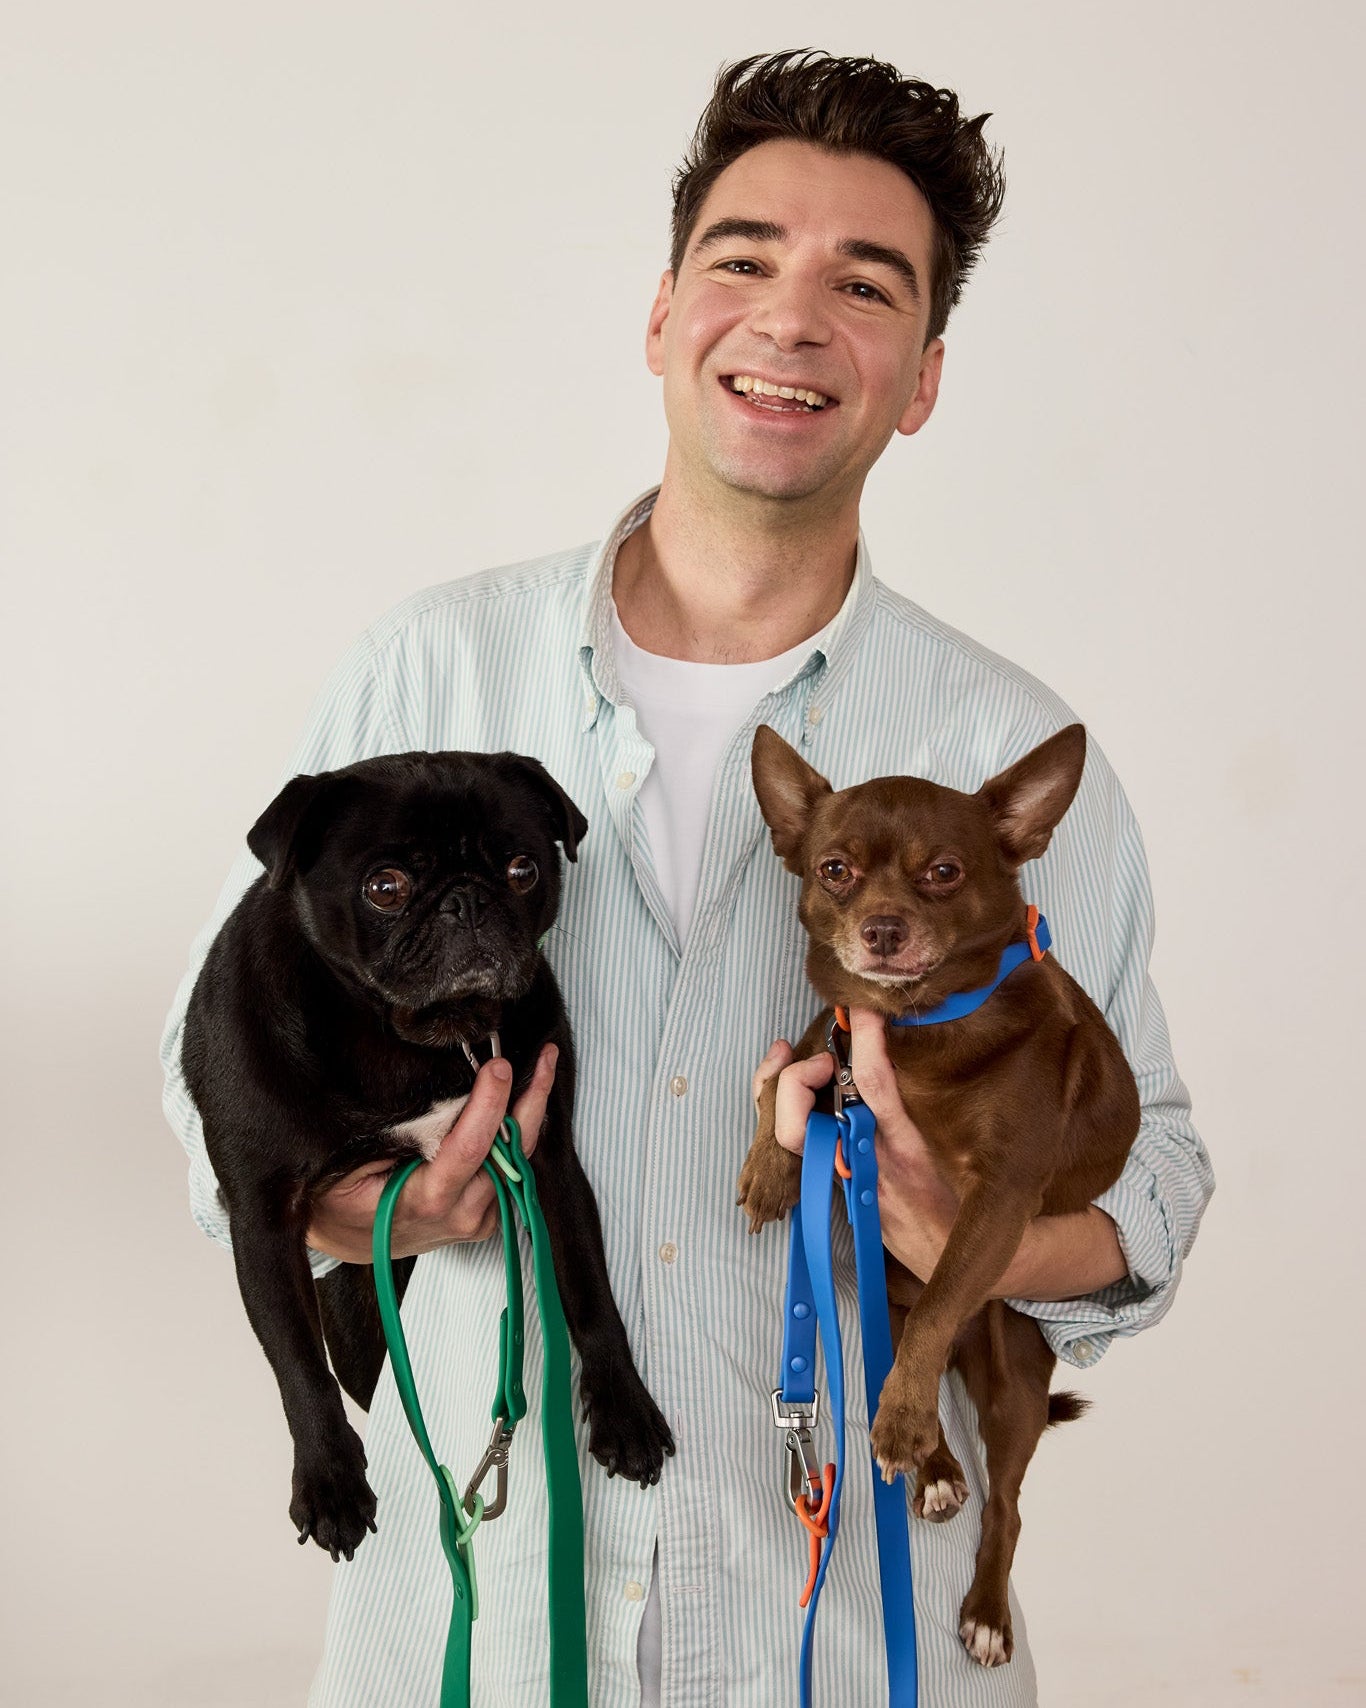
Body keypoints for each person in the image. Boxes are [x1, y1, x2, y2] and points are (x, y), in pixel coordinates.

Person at [161, 50, 1212, 1707]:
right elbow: (205, 1083)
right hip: (475, 1619)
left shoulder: (1004, 744)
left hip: (863, 1628)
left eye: (861, 285)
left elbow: (1155, 1183)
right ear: (662, 318)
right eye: (743, 261)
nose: (790, 320)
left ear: (920, 376)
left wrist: (979, 1239)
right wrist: (374, 1210)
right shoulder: (426, 668)